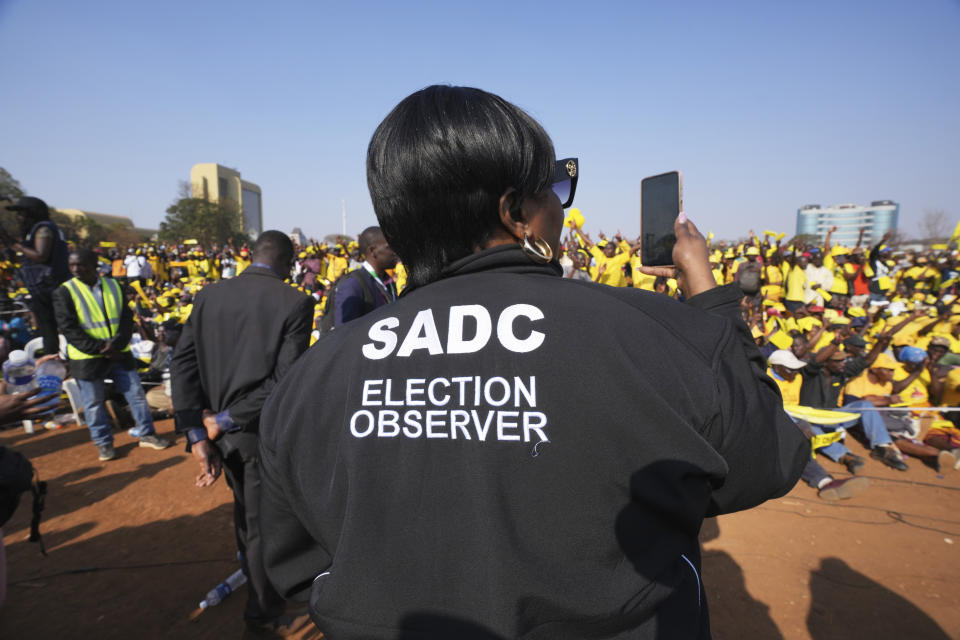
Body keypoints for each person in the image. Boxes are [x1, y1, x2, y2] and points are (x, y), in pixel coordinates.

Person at [258, 85, 807, 639]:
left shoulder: (311, 378)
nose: (560, 210)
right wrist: (709, 299)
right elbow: (766, 461)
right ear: (517, 212)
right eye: (556, 190)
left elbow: (298, 567)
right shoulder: (662, 337)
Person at [170, 230, 314, 631]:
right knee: (260, 528)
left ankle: (260, 592)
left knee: (245, 519)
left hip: (220, 434)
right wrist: (220, 422)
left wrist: (198, 434)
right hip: (253, 435)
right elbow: (284, 381)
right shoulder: (296, 301)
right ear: (289, 263)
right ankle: (263, 615)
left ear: (252, 255)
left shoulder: (209, 294)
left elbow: (181, 364)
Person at [52, 249, 170, 461]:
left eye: (81, 264)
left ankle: (147, 433)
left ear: (94, 264)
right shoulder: (64, 292)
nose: (76, 269)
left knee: (136, 394)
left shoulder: (114, 285)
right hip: (87, 358)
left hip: (119, 353)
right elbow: (68, 328)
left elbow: (126, 318)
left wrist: (117, 344)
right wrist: (99, 348)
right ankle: (103, 443)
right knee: (93, 402)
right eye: (72, 265)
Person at [8, 196, 70, 357]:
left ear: (32, 214)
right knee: (48, 329)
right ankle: (53, 361)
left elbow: (41, 255)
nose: (18, 218)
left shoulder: (44, 229)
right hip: (44, 287)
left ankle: (60, 361)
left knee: (56, 327)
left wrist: (17, 246)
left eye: (21, 213)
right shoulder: (39, 229)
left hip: (49, 287)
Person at [332, 226, 398, 326]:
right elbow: (343, 334)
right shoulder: (353, 285)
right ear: (373, 251)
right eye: (389, 247)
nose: (395, 252)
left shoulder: (388, 280)